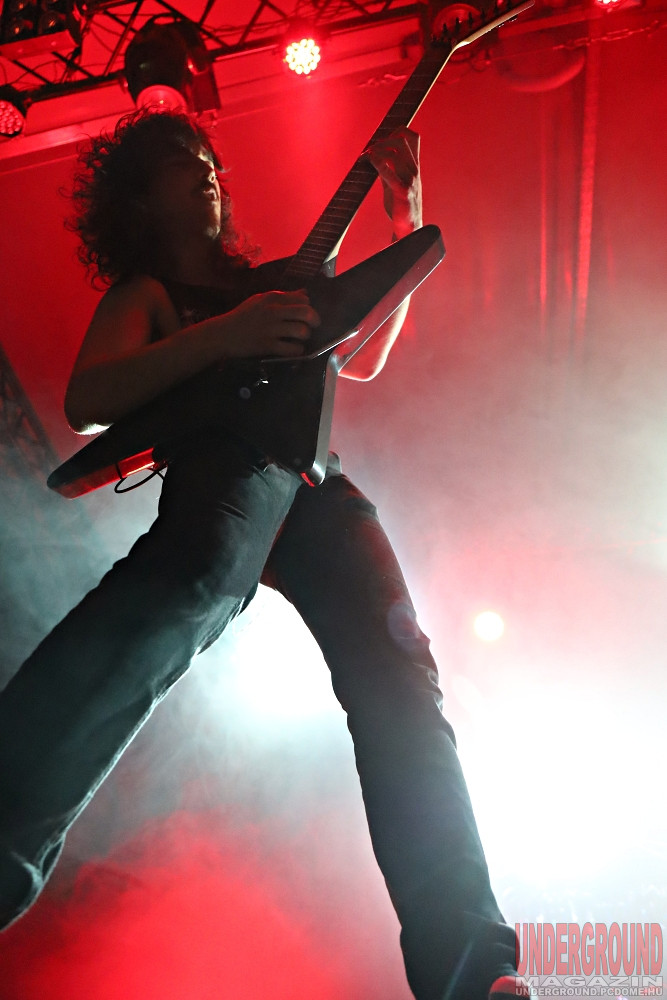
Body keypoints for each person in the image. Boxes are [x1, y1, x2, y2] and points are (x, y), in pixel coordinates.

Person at [0, 108, 529, 1000]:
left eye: (209, 158)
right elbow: (90, 399)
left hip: (319, 484)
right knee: (179, 594)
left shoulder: (278, 282)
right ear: (139, 196)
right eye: (182, 161)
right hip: (224, 469)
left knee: (402, 679)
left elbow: (358, 359)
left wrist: (403, 215)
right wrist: (225, 335)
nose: (206, 170)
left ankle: (475, 970)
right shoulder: (148, 293)